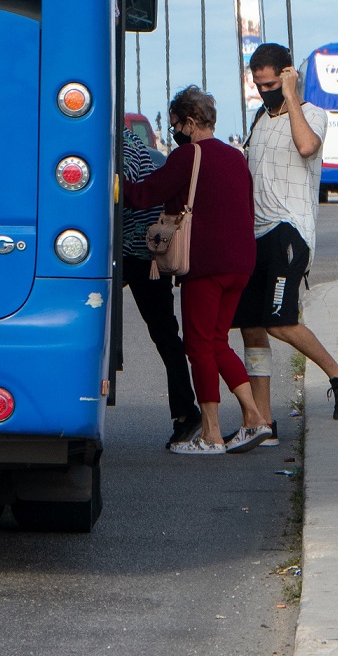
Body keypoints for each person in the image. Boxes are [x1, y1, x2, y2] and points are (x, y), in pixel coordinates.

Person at [123, 87, 271, 456]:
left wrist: (104, 182)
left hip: (205, 265)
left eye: (175, 124)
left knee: (199, 347)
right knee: (217, 342)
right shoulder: (235, 157)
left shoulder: (188, 156)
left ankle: (211, 434)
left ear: (190, 122)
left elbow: (144, 195)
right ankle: (254, 419)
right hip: (240, 263)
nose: (174, 131)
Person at [236, 44, 338, 428]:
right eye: (259, 85)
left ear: (289, 76)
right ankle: (261, 420)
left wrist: (291, 95)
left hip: (289, 232)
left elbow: (307, 147)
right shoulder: (259, 119)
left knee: (279, 321)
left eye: (272, 83)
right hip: (254, 234)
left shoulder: (312, 115)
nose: (265, 91)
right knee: (252, 328)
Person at [120, 123, 201, 447]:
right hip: (148, 252)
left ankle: (187, 411)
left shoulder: (121, 148)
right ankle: (185, 411)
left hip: (132, 252)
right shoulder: (142, 148)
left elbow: (124, 191)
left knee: (163, 333)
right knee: (166, 334)